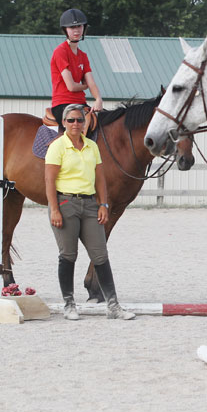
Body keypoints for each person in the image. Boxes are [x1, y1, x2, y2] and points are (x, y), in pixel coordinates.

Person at [44, 104, 135, 321]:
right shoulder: (57, 147)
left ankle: (113, 305)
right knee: (68, 255)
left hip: (90, 204)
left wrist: (103, 205)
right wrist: (54, 209)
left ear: (85, 123)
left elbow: (100, 178)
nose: (76, 124)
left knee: (100, 254)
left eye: (79, 120)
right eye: (71, 120)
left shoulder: (92, 147)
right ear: (64, 123)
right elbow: (49, 180)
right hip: (66, 202)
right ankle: (69, 304)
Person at [50, 8, 103, 131]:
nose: (76, 30)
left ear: (84, 28)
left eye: (79, 26)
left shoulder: (83, 56)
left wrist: (98, 99)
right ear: (65, 30)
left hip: (80, 103)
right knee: (77, 126)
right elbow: (71, 86)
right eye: (72, 27)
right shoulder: (60, 51)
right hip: (62, 104)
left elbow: (91, 82)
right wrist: (84, 86)